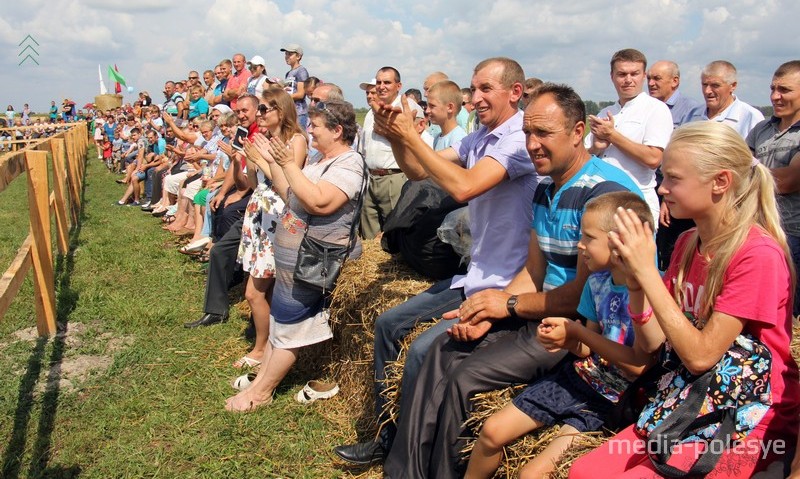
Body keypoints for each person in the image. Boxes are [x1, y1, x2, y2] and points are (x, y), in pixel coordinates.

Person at [381, 83, 644, 478]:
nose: (532, 144)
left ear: (577, 132)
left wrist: (506, 306)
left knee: (464, 377)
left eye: (543, 134)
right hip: (538, 313)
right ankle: (404, 472)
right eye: (527, 133)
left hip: (576, 332)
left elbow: (587, 296)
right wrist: (489, 308)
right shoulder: (546, 189)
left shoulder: (604, 197)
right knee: (441, 350)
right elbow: (533, 273)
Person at [335, 57, 536, 466]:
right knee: (388, 324)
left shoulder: (518, 141)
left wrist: (409, 131)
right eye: (472, 89)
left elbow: (463, 188)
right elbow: (417, 171)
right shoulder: (479, 137)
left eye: (485, 90)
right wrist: (396, 135)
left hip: (507, 283)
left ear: (515, 93)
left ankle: (406, 458)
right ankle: (385, 434)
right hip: (473, 274)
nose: (474, 98)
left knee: (422, 353)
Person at [570, 121, 800, 478]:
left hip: (745, 415)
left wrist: (648, 273)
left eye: (674, 179)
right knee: (582, 473)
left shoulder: (757, 255)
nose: (661, 188)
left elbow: (700, 357)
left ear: (720, 182)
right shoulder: (687, 243)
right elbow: (654, 347)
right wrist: (635, 285)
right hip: (688, 400)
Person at [465, 192, 656, 479]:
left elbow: (638, 367)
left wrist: (578, 333)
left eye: (589, 237)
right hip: (578, 378)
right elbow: (588, 350)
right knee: (491, 431)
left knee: (531, 474)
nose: (580, 245)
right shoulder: (596, 283)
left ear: (620, 243)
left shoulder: (652, 293)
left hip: (613, 401)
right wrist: (567, 339)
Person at [224, 100, 365, 412]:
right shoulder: (320, 159)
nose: (309, 130)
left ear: (337, 130)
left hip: (315, 260)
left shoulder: (349, 164)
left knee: (292, 323)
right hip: (296, 259)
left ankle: (262, 392)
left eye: (315, 125)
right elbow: (289, 192)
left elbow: (318, 202)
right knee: (282, 319)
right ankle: (262, 378)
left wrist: (286, 163)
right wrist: (270, 161)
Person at [232, 88, 308, 369]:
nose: (259, 114)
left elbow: (289, 185)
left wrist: (263, 158)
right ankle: (269, 342)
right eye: (259, 109)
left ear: (281, 111)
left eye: (264, 109)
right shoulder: (266, 140)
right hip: (260, 217)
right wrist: (250, 163)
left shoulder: (296, 140)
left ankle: (262, 347)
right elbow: (256, 185)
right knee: (266, 288)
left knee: (254, 292)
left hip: (278, 218)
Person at [586, 48, 673, 224]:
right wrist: (597, 148)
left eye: (634, 74)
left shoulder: (655, 109)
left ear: (643, 76)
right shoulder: (605, 112)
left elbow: (653, 158)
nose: (628, 80)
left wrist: (612, 135)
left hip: (637, 203)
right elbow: (584, 157)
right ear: (612, 76)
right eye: (622, 74)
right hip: (601, 201)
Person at [747, 60, 800, 318]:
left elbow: (790, 180)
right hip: (760, 228)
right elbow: (737, 169)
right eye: (773, 89)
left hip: (793, 232)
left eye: (785, 90)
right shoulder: (762, 129)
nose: (775, 96)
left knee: (792, 307)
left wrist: (751, 172)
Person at [359, 66, 423, 239]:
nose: (381, 86)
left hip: (394, 178)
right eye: (379, 82)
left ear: (398, 85)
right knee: (370, 235)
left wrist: (391, 132)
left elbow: (416, 143)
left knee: (395, 230)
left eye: (387, 82)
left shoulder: (407, 107)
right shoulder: (371, 112)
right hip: (371, 178)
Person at [696, 60, 764, 138]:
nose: (707, 91)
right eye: (704, 85)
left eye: (715, 85)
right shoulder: (692, 115)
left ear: (733, 86)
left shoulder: (750, 117)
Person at [647, 60, 703, 128]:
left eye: (657, 78)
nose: (650, 83)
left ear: (674, 81)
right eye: (648, 78)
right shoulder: (645, 107)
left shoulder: (691, 109)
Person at [281, 44, 310, 129]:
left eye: (290, 54)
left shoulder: (301, 71)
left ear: (298, 56)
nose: (287, 57)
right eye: (286, 54)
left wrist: (285, 97)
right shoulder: (288, 73)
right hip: (290, 112)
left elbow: (301, 94)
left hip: (299, 113)